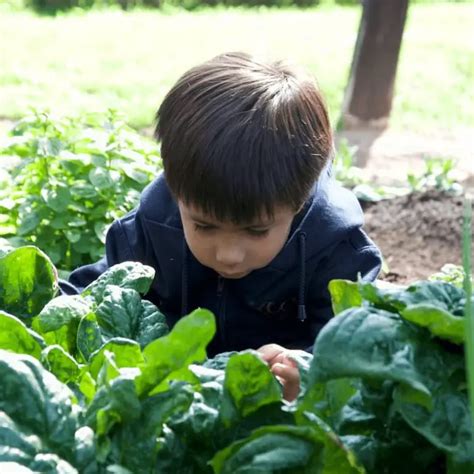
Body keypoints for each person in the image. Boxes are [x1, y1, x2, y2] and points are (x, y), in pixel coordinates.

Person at [67, 52, 382, 401]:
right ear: (176, 190)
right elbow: (87, 298)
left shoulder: (338, 253)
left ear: (300, 201)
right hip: (176, 405)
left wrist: (308, 371)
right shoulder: (150, 232)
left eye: (256, 231)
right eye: (204, 226)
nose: (228, 254)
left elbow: (356, 346)